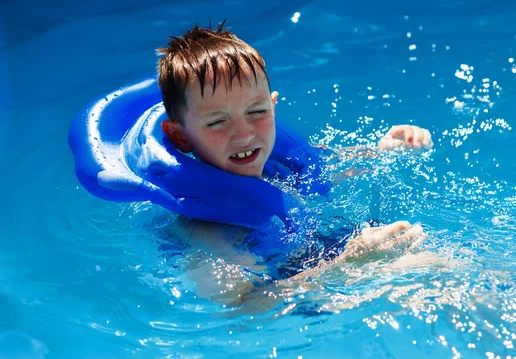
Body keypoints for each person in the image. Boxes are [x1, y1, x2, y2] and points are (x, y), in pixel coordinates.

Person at [156, 23, 434, 303]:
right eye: (217, 122)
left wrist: (383, 151)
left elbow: (332, 167)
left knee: (436, 267)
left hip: (337, 254)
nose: (245, 134)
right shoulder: (204, 226)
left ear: (273, 106)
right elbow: (244, 307)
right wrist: (352, 262)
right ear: (180, 137)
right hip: (313, 299)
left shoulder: (276, 165)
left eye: (257, 111)